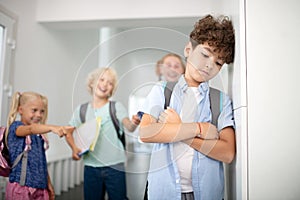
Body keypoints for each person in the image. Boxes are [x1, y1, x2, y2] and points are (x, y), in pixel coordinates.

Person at [139, 14, 235, 200]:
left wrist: (178, 129)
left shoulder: (220, 100)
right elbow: (146, 133)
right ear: (188, 49)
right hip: (163, 193)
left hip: (206, 195)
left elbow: (228, 153)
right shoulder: (162, 91)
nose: (209, 65)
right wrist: (199, 129)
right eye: (205, 54)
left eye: (218, 62)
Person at [65, 67, 140, 200]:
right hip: (91, 167)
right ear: (92, 83)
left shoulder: (116, 107)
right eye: (102, 79)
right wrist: (74, 149)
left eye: (110, 83)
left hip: (115, 167)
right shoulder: (81, 110)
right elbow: (68, 131)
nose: (105, 84)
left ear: (112, 89)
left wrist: (134, 122)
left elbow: (129, 127)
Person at [5, 91, 73, 200]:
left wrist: (48, 183)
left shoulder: (38, 136)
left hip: (41, 188)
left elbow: (42, 161)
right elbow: (30, 129)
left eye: (42, 111)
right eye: (34, 110)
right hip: (21, 189)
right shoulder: (16, 127)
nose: (39, 115)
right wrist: (52, 128)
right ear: (20, 110)